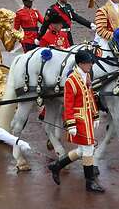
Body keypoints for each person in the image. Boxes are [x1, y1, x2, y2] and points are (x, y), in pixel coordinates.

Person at [47, 49, 104, 193]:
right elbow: (68, 104)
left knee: (82, 150)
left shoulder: (86, 75)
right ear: (80, 64)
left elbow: (90, 96)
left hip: (88, 118)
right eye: (88, 63)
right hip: (79, 120)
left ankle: (57, 166)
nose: (90, 65)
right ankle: (89, 182)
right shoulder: (71, 81)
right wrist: (71, 123)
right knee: (88, 149)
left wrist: (95, 115)